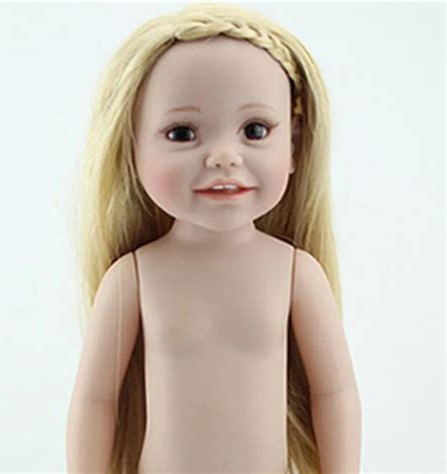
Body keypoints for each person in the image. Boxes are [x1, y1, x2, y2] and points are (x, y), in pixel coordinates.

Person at [66, 3, 362, 473]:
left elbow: (335, 392)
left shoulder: (294, 272)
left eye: (255, 130)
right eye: (182, 133)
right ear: (132, 145)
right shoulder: (136, 277)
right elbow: (95, 400)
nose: (224, 156)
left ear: (294, 144)